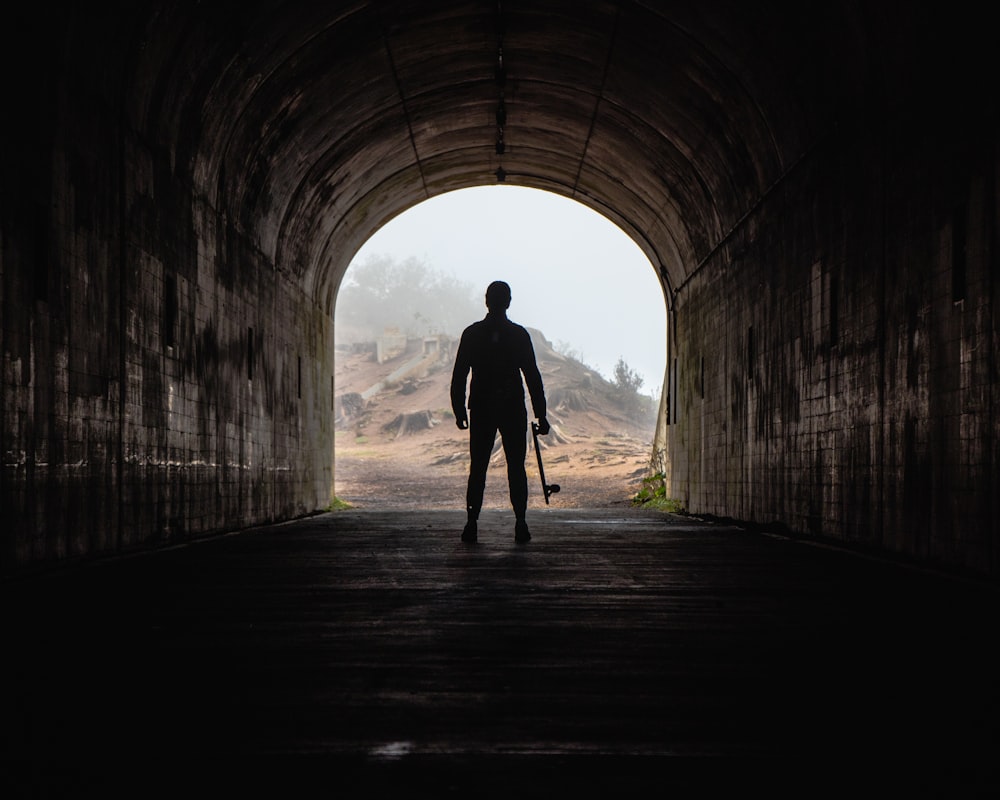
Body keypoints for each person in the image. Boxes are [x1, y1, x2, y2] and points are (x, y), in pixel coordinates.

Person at [451, 280, 550, 544]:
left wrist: (459, 408)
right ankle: (520, 522)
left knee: (478, 467)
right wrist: (541, 413)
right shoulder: (518, 335)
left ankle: (472, 523)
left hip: (482, 407)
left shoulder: (472, 334)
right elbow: (532, 375)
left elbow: (460, 374)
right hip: (512, 407)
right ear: (508, 302)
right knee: (516, 467)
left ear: (486, 301)